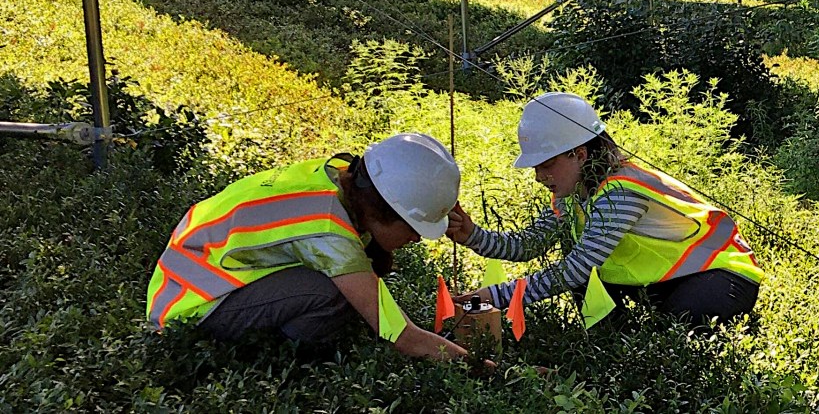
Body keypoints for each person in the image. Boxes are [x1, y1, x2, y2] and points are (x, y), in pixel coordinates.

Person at [146, 132, 473, 361]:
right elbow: (401, 335)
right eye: (414, 228)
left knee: (351, 285)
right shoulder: (328, 229)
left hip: (190, 279)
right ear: (385, 211)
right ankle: (282, 363)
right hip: (188, 308)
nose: (415, 239)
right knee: (332, 294)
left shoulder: (337, 178)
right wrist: (473, 365)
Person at [447, 93, 762, 329]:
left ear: (580, 154)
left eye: (547, 166)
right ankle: (615, 338)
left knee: (677, 328)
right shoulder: (571, 196)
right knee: (603, 299)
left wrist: (496, 297)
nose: (540, 177)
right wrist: (472, 236)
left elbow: (575, 268)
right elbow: (527, 245)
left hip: (721, 275)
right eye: (536, 168)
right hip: (663, 281)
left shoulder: (621, 192)